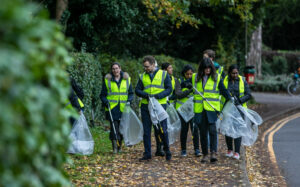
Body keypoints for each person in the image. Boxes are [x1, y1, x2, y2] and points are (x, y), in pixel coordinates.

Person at [192, 57, 230, 163]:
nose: (207, 70)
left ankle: (213, 152)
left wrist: (230, 98)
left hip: (212, 109)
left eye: (209, 68)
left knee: (213, 131)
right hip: (200, 109)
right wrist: (185, 85)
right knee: (203, 133)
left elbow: (223, 90)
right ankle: (205, 154)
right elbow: (190, 87)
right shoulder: (195, 77)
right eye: (205, 68)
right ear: (202, 68)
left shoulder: (216, 78)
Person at [135, 56, 172, 161]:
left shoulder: (164, 74)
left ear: (153, 64)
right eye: (144, 67)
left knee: (162, 130)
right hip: (146, 106)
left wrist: (159, 96)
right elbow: (137, 90)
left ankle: (167, 151)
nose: (145, 68)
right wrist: (145, 95)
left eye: (147, 66)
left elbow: (169, 89)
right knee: (146, 131)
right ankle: (147, 154)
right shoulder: (142, 76)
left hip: (160, 105)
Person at [100, 62, 134, 154]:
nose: (115, 70)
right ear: (112, 70)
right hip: (112, 108)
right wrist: (105, 101)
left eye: (116, 68)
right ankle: (115, 148)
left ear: (120, 68)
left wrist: (129, 100)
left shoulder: (127, 80)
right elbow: (102, 95)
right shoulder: (107, 81)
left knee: (122, 128)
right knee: (114, 128)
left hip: (124, 108)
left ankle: (119, 147)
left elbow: (131, 93)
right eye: (113, 69)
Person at [222, 64, 252, 160]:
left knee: (238, 129)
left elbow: (248, 94)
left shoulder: (243, 80)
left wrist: (239, 100)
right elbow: (221, 92)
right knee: (228, 129)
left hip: (240, 109)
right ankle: (230, 150)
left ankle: (237, 152)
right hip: (228, 108)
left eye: (236, 73)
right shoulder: (225, 80)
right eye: (233, 73)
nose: (235, 75)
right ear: (229, 73)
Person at [174, 65, 201, 157]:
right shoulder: (179, 81)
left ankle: (197, 149)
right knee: (184, 130)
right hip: (182, 110)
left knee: (195, 129)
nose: (189, 76)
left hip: (193, 109)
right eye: (187, 74)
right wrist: (189, 90)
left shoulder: (196, 81)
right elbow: (178, 94)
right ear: (184, 74)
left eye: (191, 74)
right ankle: (183, 150)